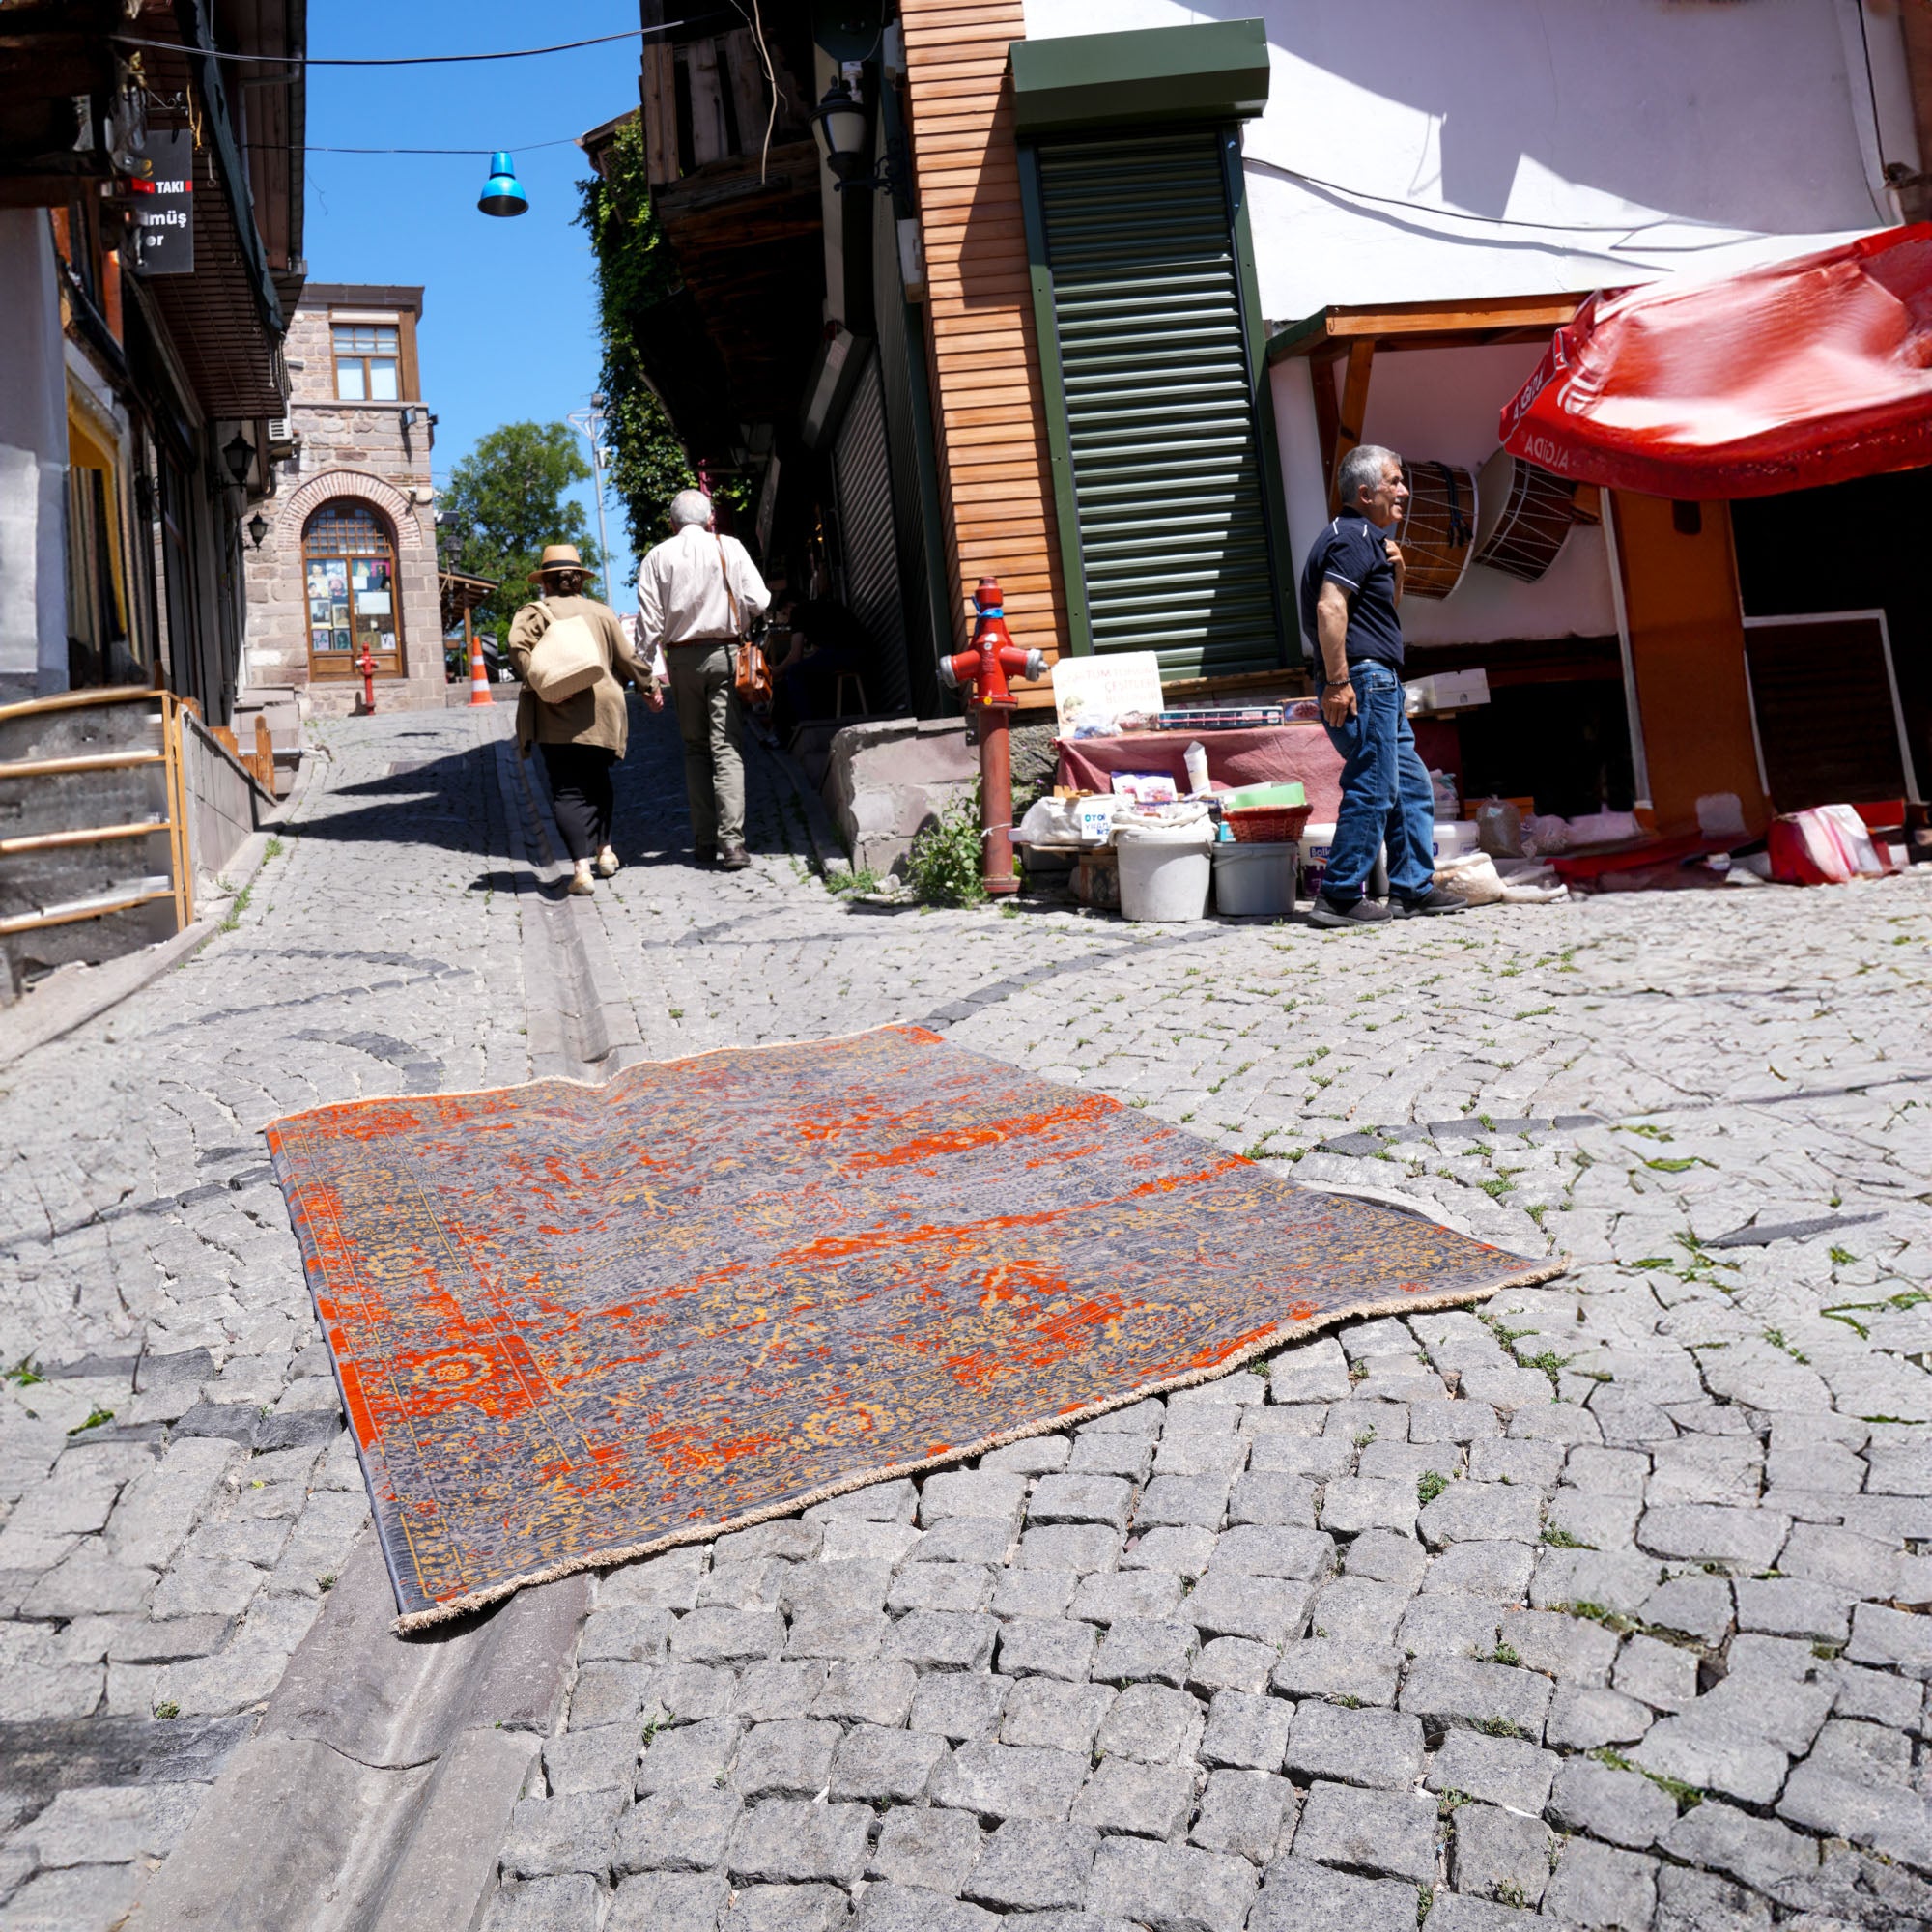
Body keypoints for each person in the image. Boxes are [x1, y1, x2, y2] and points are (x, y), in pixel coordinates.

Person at [1298, 444, 1469, 929]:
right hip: (1363, 680)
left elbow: (1379, 611)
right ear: (1365, 491)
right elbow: (1330, 609)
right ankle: (1339, 894)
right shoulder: (1351, 537)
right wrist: (1337, 682)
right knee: (1374, 786)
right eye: (1394, 482)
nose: (1404, 491)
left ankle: (1411, 889)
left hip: (1380, 681)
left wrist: (1398, 570)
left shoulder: (1366, 540)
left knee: (1412, 786)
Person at [508, 542, 661, 896]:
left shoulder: (534, 613)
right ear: (579, 580)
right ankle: (605, 853)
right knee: (598, 781)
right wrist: (649, 686)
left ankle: (580, 870)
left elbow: (517, 649)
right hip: (602, 709)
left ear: (545, 582)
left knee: (567, 789)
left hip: (556, 711)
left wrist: (542, 683)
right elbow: (627, 658)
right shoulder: (602, 612)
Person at [636, 488, 771, 868]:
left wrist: (647, 679)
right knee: (726, 747)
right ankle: (733, 844)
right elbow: (759, 600)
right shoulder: (729, 547)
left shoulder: (656, 557)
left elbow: (648, 625)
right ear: (711, 518)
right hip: (725, 654)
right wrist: (736, 617)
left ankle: (703, 841)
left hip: (680, 661)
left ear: (672, 523)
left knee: (695, 749)